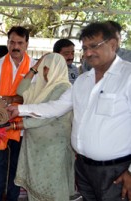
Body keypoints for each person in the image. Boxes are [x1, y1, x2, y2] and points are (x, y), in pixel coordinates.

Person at [8, 22, 131, 201]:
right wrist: (19, 109)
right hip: (83, 168)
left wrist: (130, 171)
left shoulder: (127, 77)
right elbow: (56, 107)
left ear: (113, 44)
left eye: (94, 46)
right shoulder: (83, 81)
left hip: (115, 170)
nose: (88, 53)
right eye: (85, 48)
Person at [9, 53, 74, 200]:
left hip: (53, 150)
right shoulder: (42, 86)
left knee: (53, 190)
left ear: (56, 68)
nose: (44, 72)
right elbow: (21, 91)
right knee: (36, 189)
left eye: (47, 68)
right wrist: (34, 68)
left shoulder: (63, 88)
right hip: (36, 148)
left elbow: (48, 115)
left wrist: (18, 125)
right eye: (44, 68)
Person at [0, 26, 36, 201]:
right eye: (12, 42)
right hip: (0, 124)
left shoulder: (34, 67)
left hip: (23, 126)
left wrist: (11, 99)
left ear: (26, 44)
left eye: (20, 43)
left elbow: (34, 98)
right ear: (7, 43)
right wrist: (16, 99)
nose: (15, 46)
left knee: (17, 167)